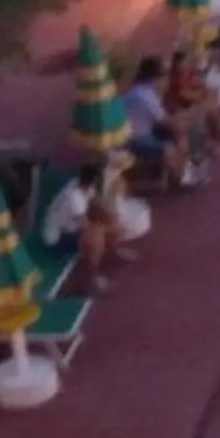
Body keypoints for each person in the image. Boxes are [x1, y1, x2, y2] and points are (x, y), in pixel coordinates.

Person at [40, 165, 123, 290]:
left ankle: (113, 252)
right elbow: (86, 229)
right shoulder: (73, 198)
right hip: (56, 241)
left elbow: (98, 205)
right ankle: (92, 278)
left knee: (109, 219)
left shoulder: (84, 185)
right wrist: (108, 229)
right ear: (94, 181)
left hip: (71, 230)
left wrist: (112, 219)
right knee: (95, 238)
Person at [124, 57, 192, 189]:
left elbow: (163, 119)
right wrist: (181, 121)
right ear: (154, 78)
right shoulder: (143, 95)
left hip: (146, 131)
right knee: (171, 143)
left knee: (178, 134)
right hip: (136, 139)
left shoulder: (145, 92)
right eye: (163, 76)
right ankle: (180, 175)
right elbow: (166, 121)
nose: (166, 80)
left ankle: (179, 171)